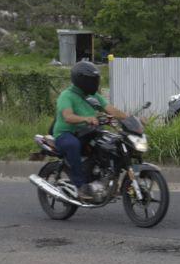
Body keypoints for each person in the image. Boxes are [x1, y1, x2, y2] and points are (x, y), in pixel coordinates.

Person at [50, 61, 129, 200]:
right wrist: (86, 119)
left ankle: (107, 179)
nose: (95, 83)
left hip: (86, 132)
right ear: (82, 80)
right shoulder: (66, 96)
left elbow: (110, 109)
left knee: (110, 145)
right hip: (66, 134)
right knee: (72, 145)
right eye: (92, 80)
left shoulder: (92, 96)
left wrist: (131, 118)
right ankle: (81, 187)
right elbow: (67, 117)